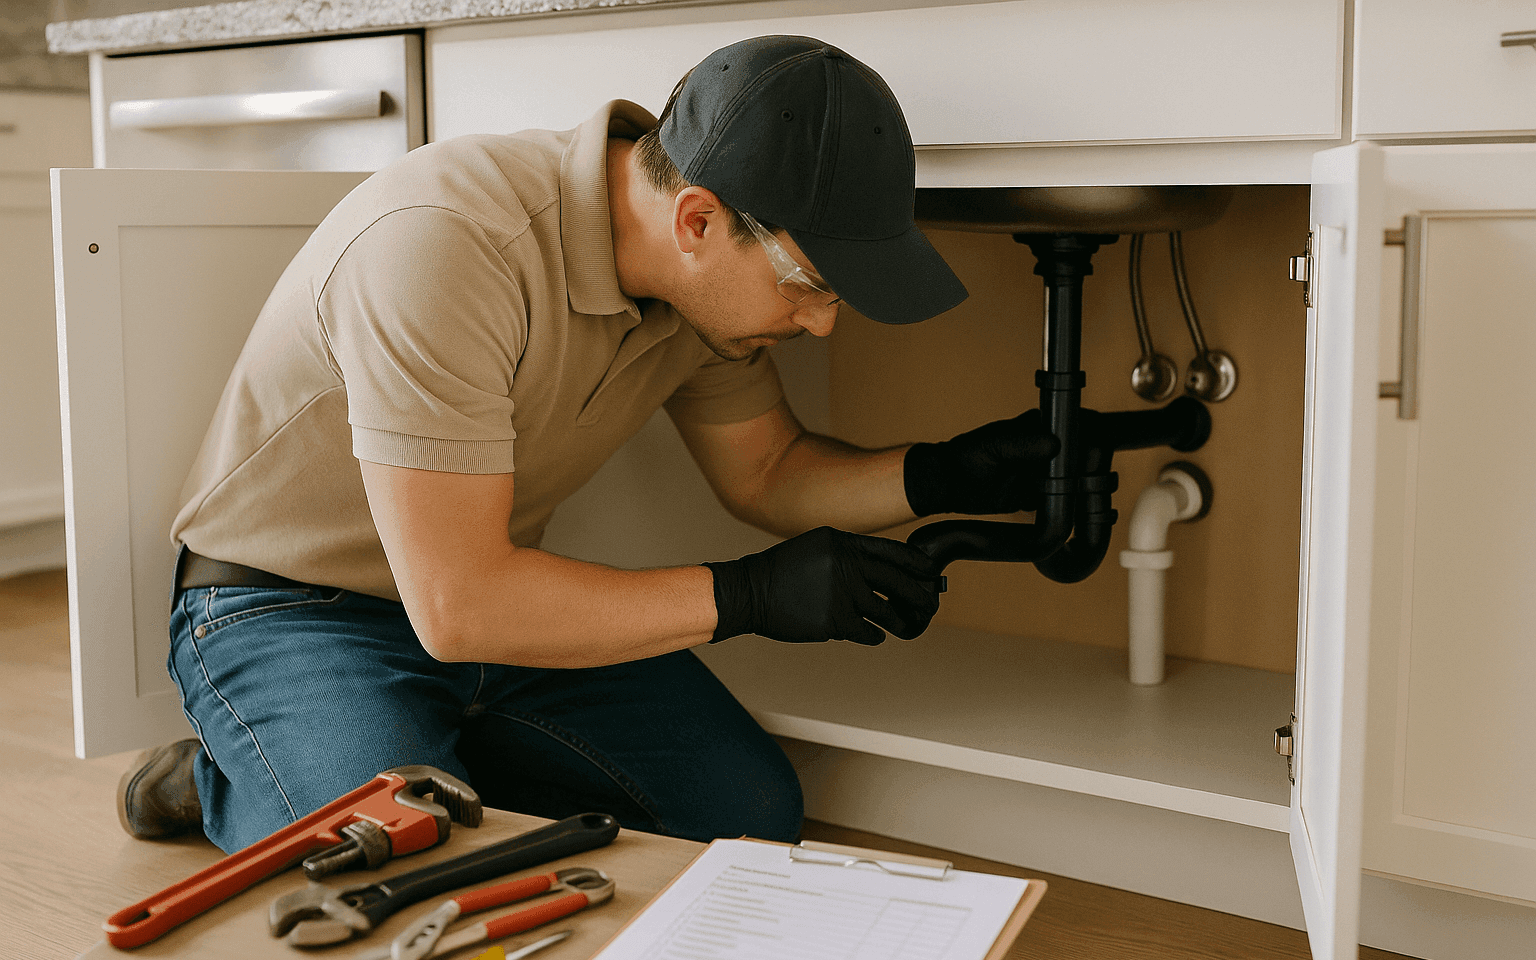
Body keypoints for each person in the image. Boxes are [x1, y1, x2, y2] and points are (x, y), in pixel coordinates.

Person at [115, 35, 1057, 854]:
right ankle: (232, 773)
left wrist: (947, 472)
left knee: (747, 813)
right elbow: (461, 603)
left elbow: (768, 473)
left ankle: (399, 752)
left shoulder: (699, 295)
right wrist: (753, 595)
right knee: (392, 861)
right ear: (698, 220)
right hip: (287, 608)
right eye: (810, 286)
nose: (821, 326)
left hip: (485, 598)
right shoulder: (445, 245)